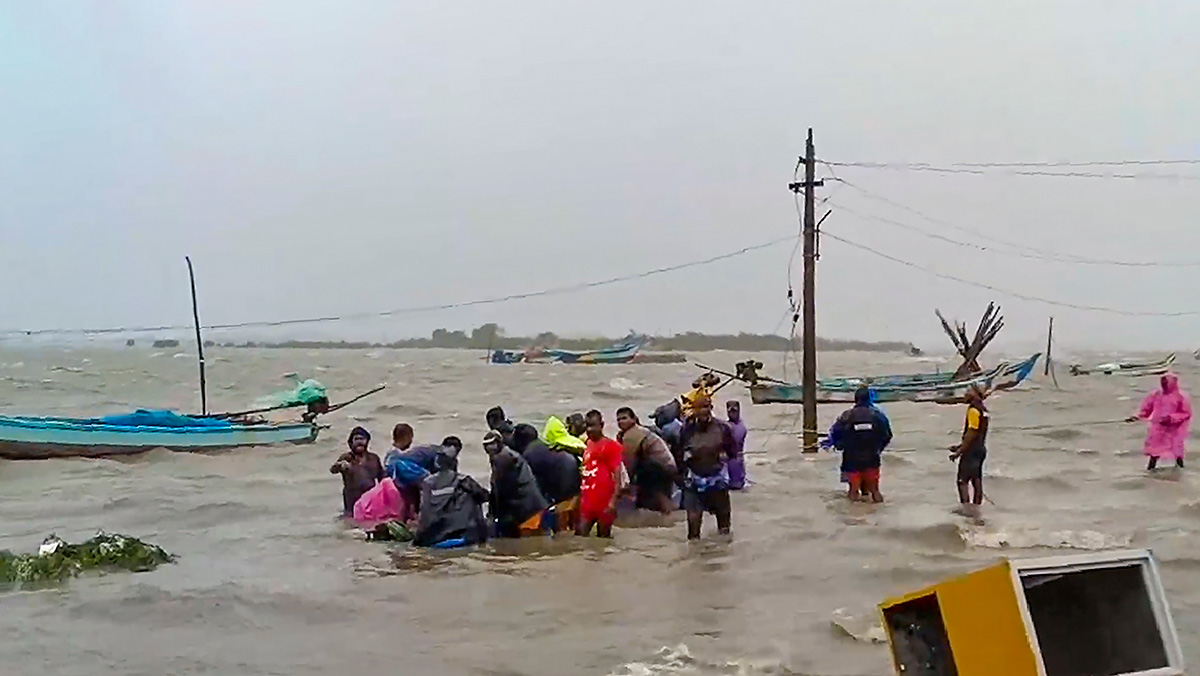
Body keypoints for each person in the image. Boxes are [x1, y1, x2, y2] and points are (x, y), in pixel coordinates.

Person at [413, 442, 490, 548]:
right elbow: (484, 496)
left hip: (432, 537)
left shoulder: (427, 482)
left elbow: (424, 510)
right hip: (462, 534)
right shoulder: (463, 480)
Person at [679, 397, 734, 539]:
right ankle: (694, 555)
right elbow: (679, 454)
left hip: (717, 478)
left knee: (724, 526)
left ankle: (723, 555)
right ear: (694, 411)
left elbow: (732, 452)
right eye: (700, 408)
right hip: (694, 479)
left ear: (711, 408)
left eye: (706, 407)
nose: (704, 411)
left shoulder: (723, 428)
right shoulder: (687, 430)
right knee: (693, 524)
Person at [828, 386, 893, 502]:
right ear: (869, 399)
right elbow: (887, 435)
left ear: (855, 399)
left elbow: (835, 434)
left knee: (853, 490)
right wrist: (878, 448)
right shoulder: (878, 416)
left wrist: (840, 445)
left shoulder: (846, 416)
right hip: (872, 457)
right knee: (875, 491)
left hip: (851, 460)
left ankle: (852, 516)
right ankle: (878, 516)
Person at [512, 423, 581, 531]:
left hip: (565, 487)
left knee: (561, 528)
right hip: (574, 480)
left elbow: (533, 485)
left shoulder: (528, 455)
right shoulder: (542, 445)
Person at [483, 430, 549, 537]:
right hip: (526, 504)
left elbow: (498, 488)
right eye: (486, 446)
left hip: (528, 507)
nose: (489, 449)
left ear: (499, 442)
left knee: (530, 542)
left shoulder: (504, 457)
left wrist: (492, 514)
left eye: (492, 444)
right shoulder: (503, 455)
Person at [615, 407, 677, 514]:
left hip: (660, 467)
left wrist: (623, 487)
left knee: (657, 490)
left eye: (624, 418)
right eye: (618, 420)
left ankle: (668, 514)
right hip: (665, 465)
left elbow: (628, 462)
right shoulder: (636, 431)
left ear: (634, 419)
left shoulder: (633, 434)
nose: (621, 422)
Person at [1129, 373, 1193, 470]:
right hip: (1158, 427)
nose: (1163, 384)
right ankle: (1150, 471)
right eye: (1162, 382)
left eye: (1165, 382)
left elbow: (1186, 413)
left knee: (1176, 449)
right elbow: (1146, 409)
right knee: (1155, 450)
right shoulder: (1156, 394)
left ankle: (1180, 469)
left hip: (1174, 429)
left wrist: (1171, 418)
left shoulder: (1181, 397)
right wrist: (1136, 416)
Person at [577, 410, 626, 537]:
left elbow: (618, 475)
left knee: (603, 540)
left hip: (605, 502)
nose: (590, 429)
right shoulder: (587, 444)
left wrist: (613, 502)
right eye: (587, 426)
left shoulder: (611, 446)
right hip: (588, 501)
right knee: (579, 536)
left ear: (601, 425)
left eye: (593, 425)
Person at [329, 426, 385, 516]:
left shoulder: (374, 458)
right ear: (351, 443)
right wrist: (340, 466)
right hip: (352, 502)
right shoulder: (347, 457)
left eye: (362, 439)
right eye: (356, 439)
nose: (359, 442)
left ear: (367, 441)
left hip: (371, 500)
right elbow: (333, 470)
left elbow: (383, 479)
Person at [949, 385, 989, 507]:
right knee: (976, 480)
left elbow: (971, 432)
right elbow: (977, 434)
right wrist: (959, 446)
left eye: (968, 391)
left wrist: (959, 451)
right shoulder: (983, 410)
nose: (965, 393)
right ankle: (977, 508)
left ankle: (967, 509)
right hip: (980, 449)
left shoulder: (973, 410)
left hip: (970, 452)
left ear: (975, 395)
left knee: (963, 481)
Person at [725, 401, 749, 490]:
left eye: (734, 411)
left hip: (736, 459)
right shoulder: (726, 426)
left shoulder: (738, 427)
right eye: (730, 412)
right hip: (730, 462)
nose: (732, 414)